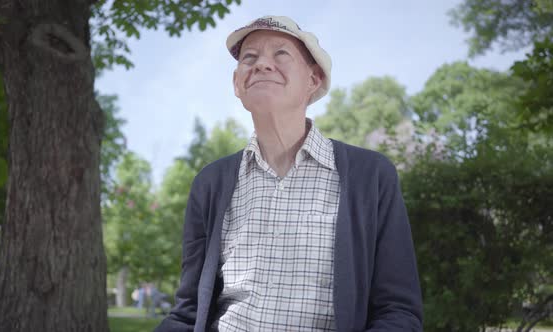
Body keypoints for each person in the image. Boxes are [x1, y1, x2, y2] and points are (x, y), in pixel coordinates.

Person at [155, 15, 422, 331]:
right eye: (249, 58)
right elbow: (189, 312)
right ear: (237, 84)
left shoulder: (371, 177)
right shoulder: (210, 183)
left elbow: (398, 312)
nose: (261, 65)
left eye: (281, 54)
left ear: (313, 80)